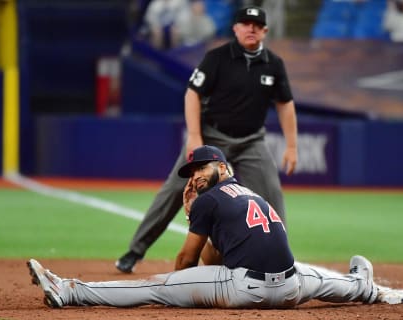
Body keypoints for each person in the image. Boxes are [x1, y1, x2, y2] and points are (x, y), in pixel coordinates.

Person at [27, 145, 378, 309]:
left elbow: (186, 264)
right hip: (289, 289)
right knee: (313, 278)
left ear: (223, 168)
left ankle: (70, 291)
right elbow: (216, 260)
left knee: (158, 287)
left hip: (247, 290)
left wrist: (195, 220)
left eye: (201, 169)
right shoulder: (248, 193)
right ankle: (363, 287)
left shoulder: (209, 200)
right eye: (192, 173)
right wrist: (208, 228)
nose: (195, 176)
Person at [115, 5, 298, 273]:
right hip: (212, 137)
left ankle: (281, 260)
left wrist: (292, 145)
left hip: (251, 141)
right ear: (235, 28)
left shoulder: (274, 64)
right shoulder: (217, 57)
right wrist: (194, 135)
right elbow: (192, 93)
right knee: (175, 191)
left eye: (256, 25)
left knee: (271, 193)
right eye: (245, 24)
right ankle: (135, 250)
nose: (251, 28)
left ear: (265, 31)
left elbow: (285, 104)